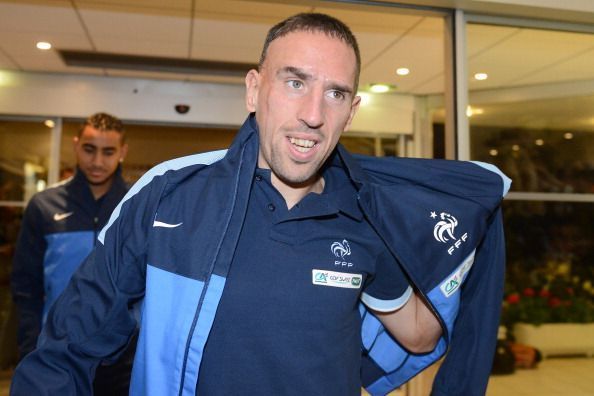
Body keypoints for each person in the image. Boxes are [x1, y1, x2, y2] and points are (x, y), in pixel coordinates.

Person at [10, 14, 510, 396]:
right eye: (295, 82)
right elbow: (68, 351)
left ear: (352, 112)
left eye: (335, 93)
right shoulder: (168, 195)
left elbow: (420, 336)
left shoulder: (368, 219)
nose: (313, 114)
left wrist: (468, 236)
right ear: (254, 89)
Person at [10, 113, 136, 395]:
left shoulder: (135, 207)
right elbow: (25, 288)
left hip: (121, 359)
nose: (97, 161)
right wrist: (31, 347)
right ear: (76, 145)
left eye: (108, 151)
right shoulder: (44, 205)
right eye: (90, 150)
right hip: (56, 351)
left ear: (123, 152)